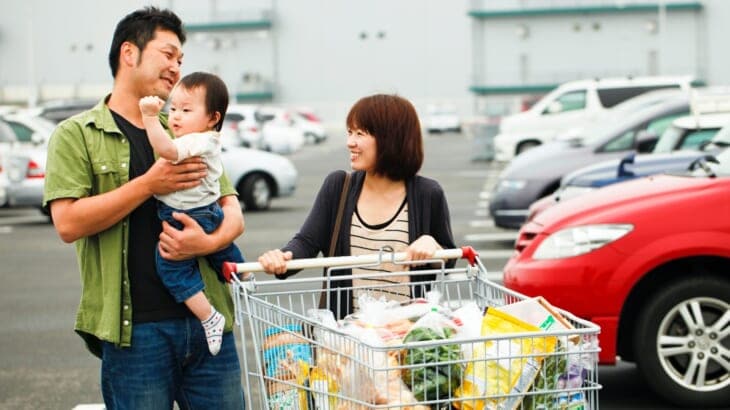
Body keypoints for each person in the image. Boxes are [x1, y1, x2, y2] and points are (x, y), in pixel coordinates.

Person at [42, 7, 245, 409]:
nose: (176, 68)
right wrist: (148, 185)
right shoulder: (76, 135)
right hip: (135, 334)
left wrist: (206, 244)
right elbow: (67, 223)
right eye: (168, 55)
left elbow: (233, 213)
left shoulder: (187, 130)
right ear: (129, 53)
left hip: (210, 324)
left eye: (181, 60)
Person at [257, 93, 456, 319]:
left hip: (407, 336)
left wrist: (434, 246)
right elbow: (307, 242)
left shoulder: (427, 194)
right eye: (349, 132)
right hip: (350, 341)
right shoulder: (339, 186)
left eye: (360, 133)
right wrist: (283, 257)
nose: (350, 142)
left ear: (391, 139)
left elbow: (447, 259)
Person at [139, 71, 245, 356]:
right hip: (207, 212)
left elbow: (166, 149)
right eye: (172, 108)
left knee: (170, 267)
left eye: (186, 110)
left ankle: (209, 317)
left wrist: (151, 118)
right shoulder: (204, 140)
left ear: (213, 118)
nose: (175, 116)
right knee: (221, 250)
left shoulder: (194, 141)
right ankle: (244, 278)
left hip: (188, 214)